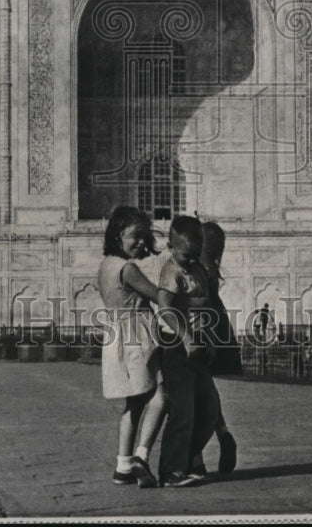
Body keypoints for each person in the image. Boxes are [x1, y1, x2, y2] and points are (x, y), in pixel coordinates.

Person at [97, 205, 165, 488]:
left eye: (144, 237)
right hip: (137, 335)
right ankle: (141, 455)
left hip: (116, 337)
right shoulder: (127, 269)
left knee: (134, 403)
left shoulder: (106, 266)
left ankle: (122, 465)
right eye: (135, 236)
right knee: (163, 394)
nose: (141, 242)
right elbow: (158, 296)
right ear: (118, 235)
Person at [156, 215, 221, 487]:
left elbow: (207, 308)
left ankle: (189, 458)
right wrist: (185, 337)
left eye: (196, 254)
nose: (191, 259)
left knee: (209, 408)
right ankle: (170, 471)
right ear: (171, 246)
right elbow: (166, 309)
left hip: (197, 346)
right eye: (186, 254)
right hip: (175, 346)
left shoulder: (197, 270)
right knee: (183, 407)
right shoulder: (171, 271)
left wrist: (210, 339)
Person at [189, 221, 239, 478]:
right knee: (205, 388)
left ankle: (195, 458)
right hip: (218, 327)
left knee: (196, 394)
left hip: (202, 329)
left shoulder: (196, 268)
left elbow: (198, 302)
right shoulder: (212, 267)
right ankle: (223, 433)